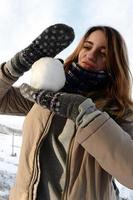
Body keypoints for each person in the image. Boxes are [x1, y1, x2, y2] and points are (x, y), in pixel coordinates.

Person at [0, 23, 133, 200]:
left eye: (103, 53)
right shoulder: (45, 94)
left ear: (115, 64)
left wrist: (85, 114)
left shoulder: (120, 111)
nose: (90, 55)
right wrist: (15, 66)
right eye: (87, 46)